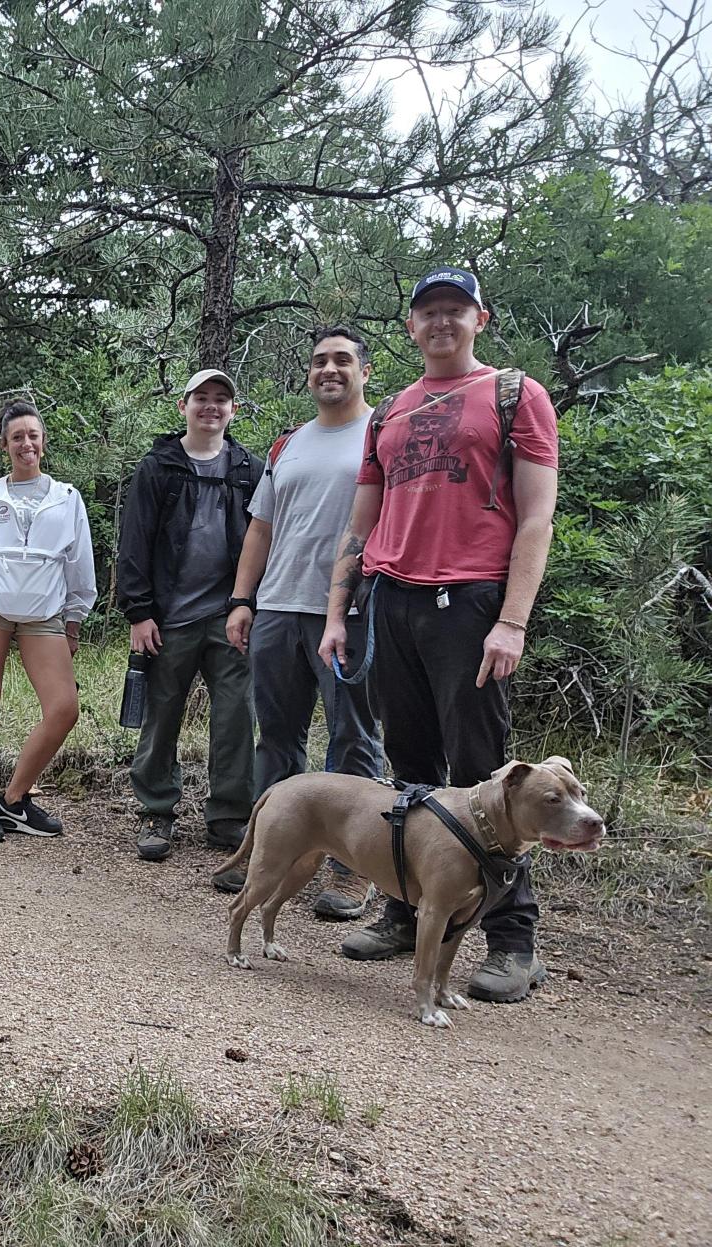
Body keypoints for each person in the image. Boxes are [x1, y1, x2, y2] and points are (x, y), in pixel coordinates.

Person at [318, 266, 559, 1004]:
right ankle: (404, 908)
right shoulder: (388, 410)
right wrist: (337, 612)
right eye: (428, 312)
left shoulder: (515, 396)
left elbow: (533, 519)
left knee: (492, 777)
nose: (441, 322)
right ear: (410, 327)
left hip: (471, 604)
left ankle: (511, 940)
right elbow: (360, 521)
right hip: (392, 598)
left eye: (455, 309)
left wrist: (511, 620)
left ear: (479, 319)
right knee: (410, 768)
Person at [224, 327, 384, 915]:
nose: (329, 370)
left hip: (350, 614)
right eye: (319, 361)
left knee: (353, 741)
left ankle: (352, 870)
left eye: (342, 360)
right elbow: (260, 528)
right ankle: (271, 857)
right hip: (278, 609)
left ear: (365, 371)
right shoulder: (286, 445)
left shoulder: (381, 435)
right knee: (278, 739)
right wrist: (243, 600)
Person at [116, 369, 261, 878]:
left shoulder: (249, 468)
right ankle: (156, 812)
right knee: (160, 716)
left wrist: (250, 602)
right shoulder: (158, 467)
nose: (212, 407)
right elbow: (133, 542)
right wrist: (138, 612)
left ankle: (229, 817)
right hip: (168, 618)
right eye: (202, 397)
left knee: (235, 720)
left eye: (222, 399)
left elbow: (262, 540)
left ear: (233, 411)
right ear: (184, 405)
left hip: (231, 617)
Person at [0, 400, 96, 844]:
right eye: (17, 437)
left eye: (32, 435)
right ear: (4, 445)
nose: (25, 443)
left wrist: (74, 619)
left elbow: (79, 562)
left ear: (43, 442)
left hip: (45, 611)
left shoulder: (67, 498)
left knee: (64, 708)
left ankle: (13, 801)